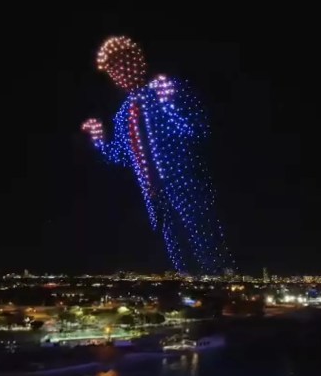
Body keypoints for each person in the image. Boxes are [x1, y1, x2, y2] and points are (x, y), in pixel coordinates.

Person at [81, 36, 234, 275]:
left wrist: (169, 107)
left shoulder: (165, 89)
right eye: (113, 70)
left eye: (123, 63)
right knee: (177, 250)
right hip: (154, 195)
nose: (119, 72)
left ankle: (225, 288)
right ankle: (192, 293)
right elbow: (122, 156)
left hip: (185, 183)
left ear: (138, 60)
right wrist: (99, 140)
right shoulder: (123, 115)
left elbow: (198, 131)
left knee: (205, 240)